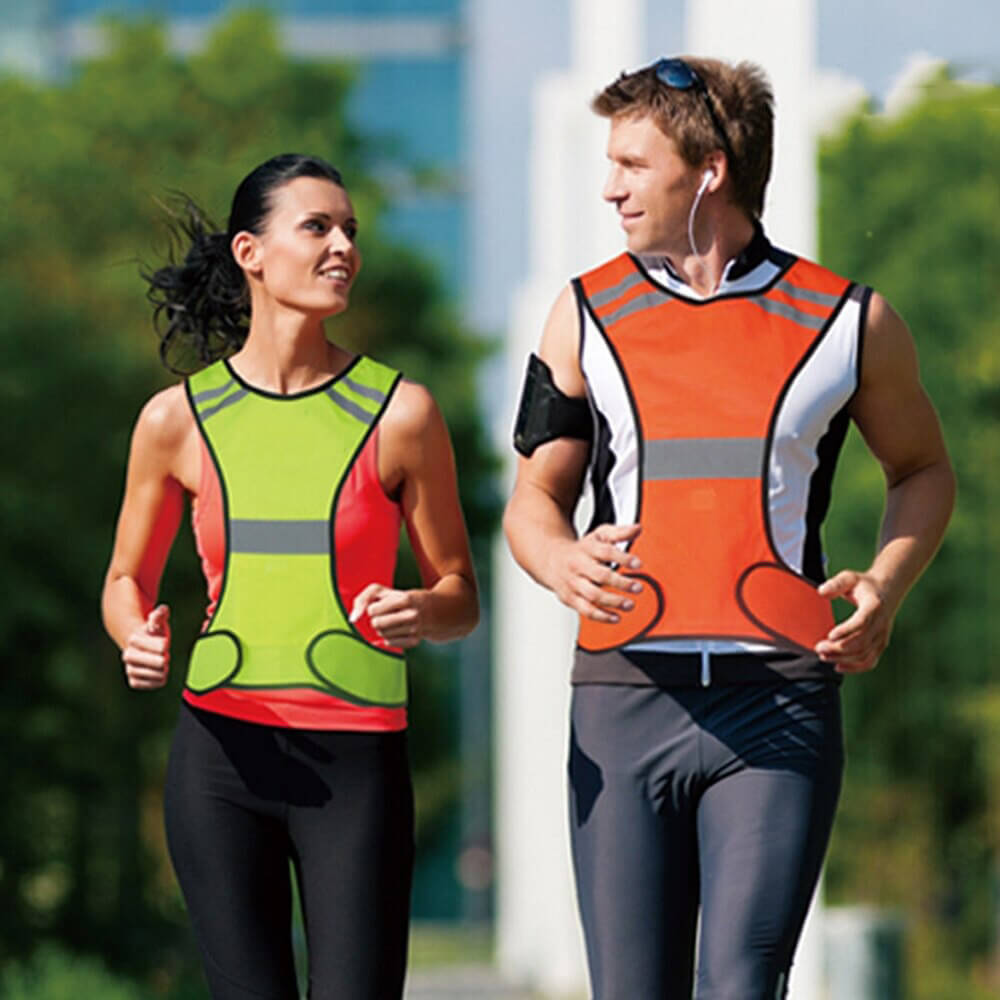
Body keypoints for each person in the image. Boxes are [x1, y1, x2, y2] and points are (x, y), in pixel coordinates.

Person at [503, 57, 954, 999]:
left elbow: (923, 471)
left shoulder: (850, 320)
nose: (609, 184)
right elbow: (532, 504)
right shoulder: (580, 316)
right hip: (623, 703)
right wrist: (556, 561)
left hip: (779, 703)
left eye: (633, 161)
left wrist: (886, 584)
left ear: (708, 169)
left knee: (742, 986)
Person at [101, 153, 479, 1000]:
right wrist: (137, 636)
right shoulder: (176, 421)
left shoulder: (402, 413)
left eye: (350, 230)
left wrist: (423, 608)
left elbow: (461, 594)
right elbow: (125, 579)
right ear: (251, 252)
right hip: (218, 757)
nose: (343, 244)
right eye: (317, 227)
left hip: (357, 767)